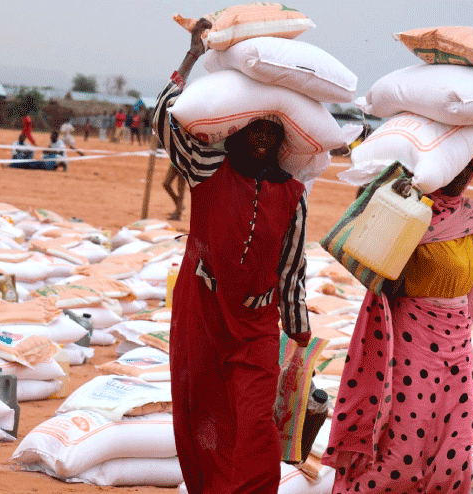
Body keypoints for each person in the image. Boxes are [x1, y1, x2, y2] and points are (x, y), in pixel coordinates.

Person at [155, 19, 311, 494]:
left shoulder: (294, 193)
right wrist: (190, 57)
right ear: (237, 127)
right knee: (200, 415)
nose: (262, 138)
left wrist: (297, 324)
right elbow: (165, 120)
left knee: (254, 424)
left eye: (271, 128)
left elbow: (292, 265)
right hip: (202, 311)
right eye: (253, 127)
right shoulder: (206, 166)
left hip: (257, 324)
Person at [323, 160, 473, 494]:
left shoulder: (469, 215)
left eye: (472, 169)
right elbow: (367, 248)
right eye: (457, 166)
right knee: (403, 446)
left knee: (457, 443)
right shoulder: (412, 210)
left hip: (458, 343)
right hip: (412, 339)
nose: (464, 176)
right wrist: (392, 203)